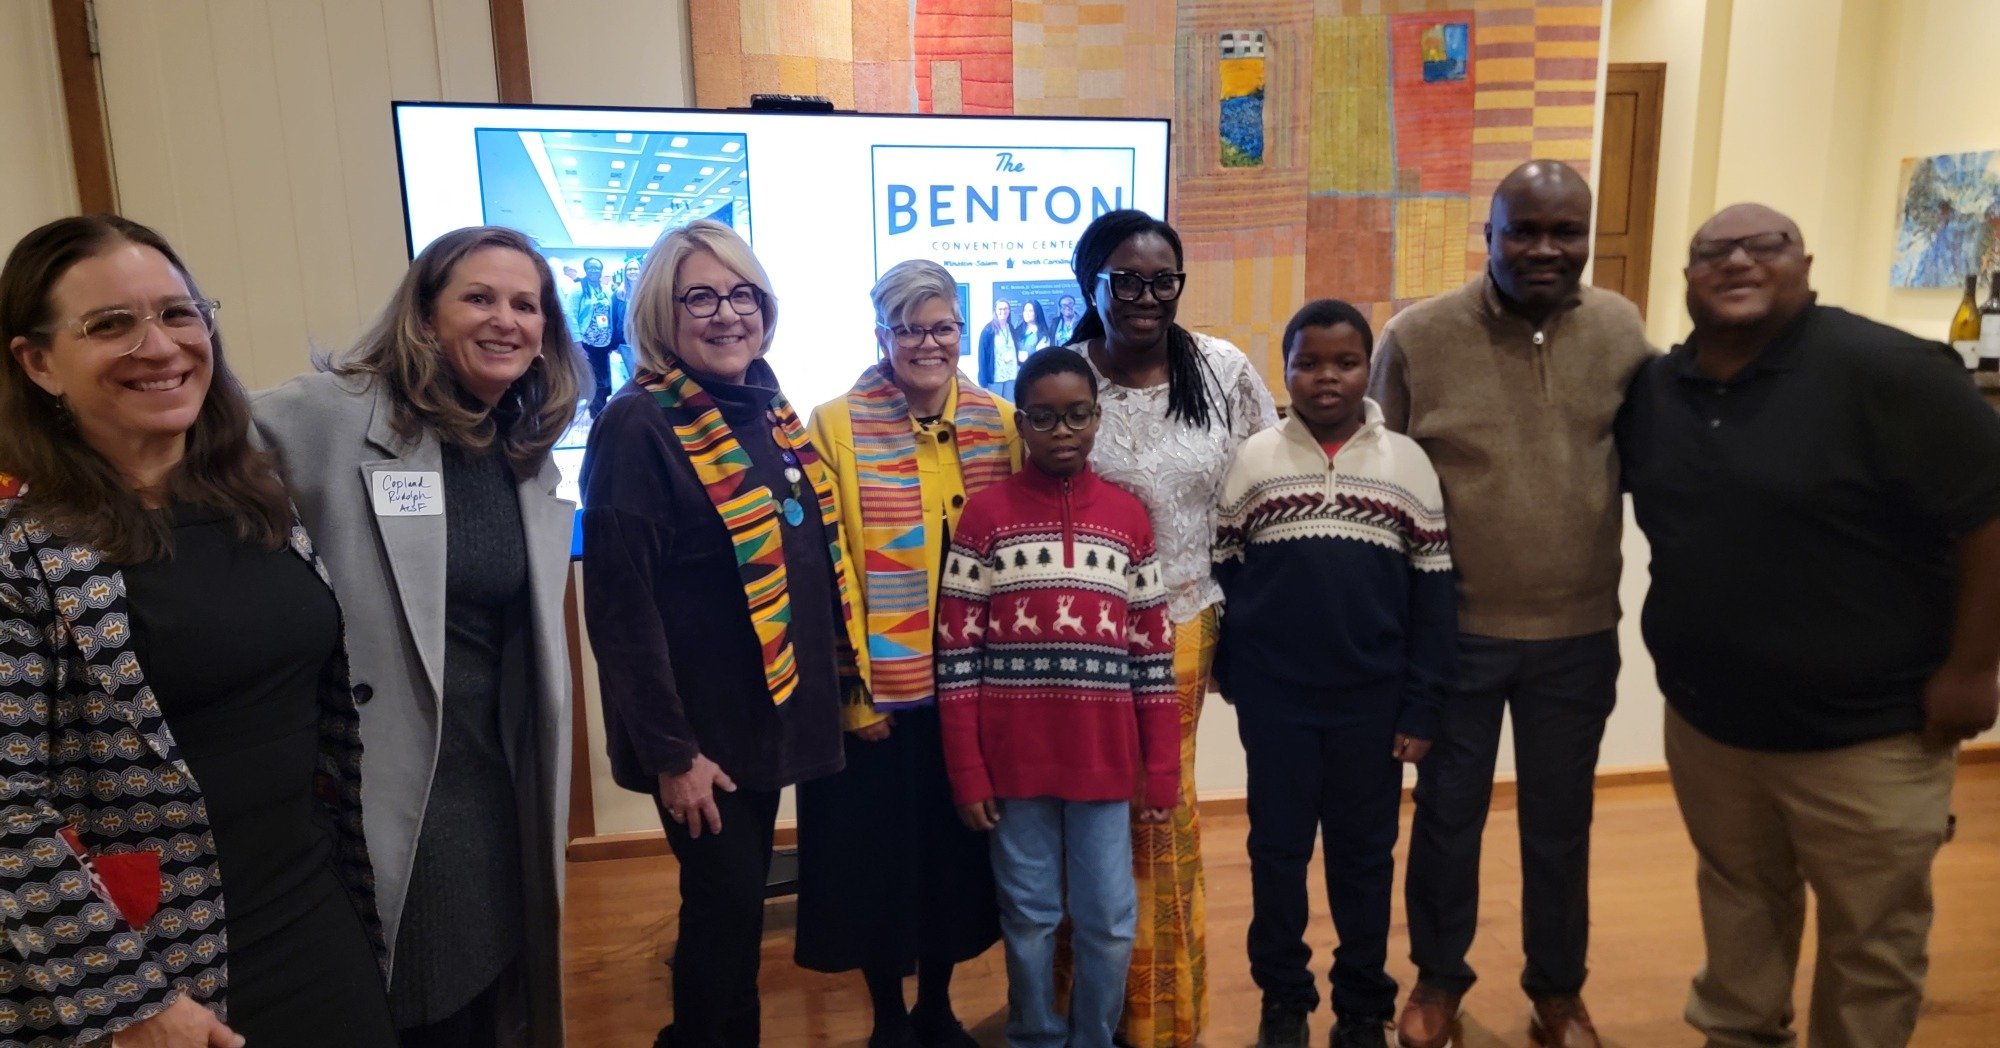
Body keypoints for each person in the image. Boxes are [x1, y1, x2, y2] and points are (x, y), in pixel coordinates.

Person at [0, 214, 394, 1048]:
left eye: (180, 314)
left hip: (314, 920)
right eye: (111, 325)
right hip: (152, 972)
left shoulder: (255, 501)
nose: (161, 346)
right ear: (38, 363)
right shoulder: (19, 551)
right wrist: (126, 999)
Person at [1618, 203, 2000, 1048]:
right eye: (1714, 251)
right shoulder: (1657, 389)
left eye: (1766, 246)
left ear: (1805, 263)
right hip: (1711, 725)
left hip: (1868, 735)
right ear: (1688, 278)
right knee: (1739, 905)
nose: (1739, 262)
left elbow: (1987, 518)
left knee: (1873, 939)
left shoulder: (1890, 371)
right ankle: (1737, 1034)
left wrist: (1976, 666)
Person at [253, 225, 587, 1048]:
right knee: (415, 1001)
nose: (505, 319)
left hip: (491, 780)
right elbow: (194, 447)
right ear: (426, 316)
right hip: (392, 783)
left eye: (526, 304)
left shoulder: (518, 448)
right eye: (478, 297)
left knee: (487, 995)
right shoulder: (332, 414)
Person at [1367, 160, 1651, 1048]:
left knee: (1561, 824)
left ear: (1588, 236)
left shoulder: (1621, 328)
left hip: (1577, 633)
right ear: (1486, 235)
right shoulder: (1419, 337)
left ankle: (1558, 992)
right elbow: (1381, 488)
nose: (1543, 248)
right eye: (1521, 229)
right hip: (1456, 636)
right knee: (1447, 819)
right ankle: (1439, 982)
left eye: (1565, 231)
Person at [580, 218, 856, 1048]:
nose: (728, 312)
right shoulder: (638, 425)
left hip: (761, 721)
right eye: (700, 295)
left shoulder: (766, 408)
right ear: (663, 314)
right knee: (723, 914)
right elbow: (620, 612)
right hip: (699, 741)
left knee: (733, 918)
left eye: (743, 294)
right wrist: (672, 755)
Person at [1214, 300, 1455, 1048]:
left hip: (1373, 709)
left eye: (1345, 363)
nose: (1326, 377)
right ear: (1284, 368)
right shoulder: (1254, 460)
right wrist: (1242, 682)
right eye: (1308, 362)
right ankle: (1283, 999)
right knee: (1276, 853)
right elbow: (1228, 578)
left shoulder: (1407, 465)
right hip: (1279, 708)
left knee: (1363, 858)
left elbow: (1434, 596)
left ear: (1368, 369)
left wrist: (1420, 708)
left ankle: (1361, 1005)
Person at [1066, 208, 1278, 1047]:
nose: (1147, 296)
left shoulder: (1221, 368)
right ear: (1093, 283)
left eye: (1163, 279)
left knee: (1159, 810)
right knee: (1083, 813)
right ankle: (1086, 1008)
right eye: (1127, 279)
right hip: (1078, 631)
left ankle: (1159, 1015)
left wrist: (1256, 626)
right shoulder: (1067, 375)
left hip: (1186, 623)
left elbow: (1267, 488)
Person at [795, 260, 1018, 1048]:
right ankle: (889, 1012)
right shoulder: (833, 423)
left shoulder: (1000, 420)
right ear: (881, 334)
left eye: (943, 327)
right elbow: (822, 571)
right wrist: (852, 694)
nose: (929, 343)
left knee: (954, 859)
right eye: (909, 327)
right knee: (875, 859)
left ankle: (938, 1006)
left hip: (972, 691)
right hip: (878, 694)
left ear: (963, 329)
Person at [935, 346, 1179, 1048]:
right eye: (1045, 417)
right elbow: (957, 659)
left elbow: (1152, 658)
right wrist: (967, 772)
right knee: (1030, 913)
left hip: (1103, 768)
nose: (1062, 430)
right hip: (1013, 771)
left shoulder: (1130, 520)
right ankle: (1035, 1035)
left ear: (1097, 418)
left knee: (1108, 919)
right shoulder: (984, 519)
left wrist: (1158, 771)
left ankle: (1093, 1038)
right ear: (1022, 423)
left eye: (1077, 415)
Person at [576, 256, 615, 417]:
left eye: (597, 268)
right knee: (594, 380)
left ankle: (602, 409)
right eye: (591, 268)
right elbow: (569, 315)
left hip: (604, 341)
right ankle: (596, 413)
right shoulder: (578, 289)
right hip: (587, 342)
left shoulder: (604, 289)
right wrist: (576, 341)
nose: (594, 271)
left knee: (605, 379)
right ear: (585, 270)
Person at [977, 298, 1021, 398]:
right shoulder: (988, 330)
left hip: (1011, 375)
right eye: (1000, 309)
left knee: (1009, 406)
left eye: (1005, 309)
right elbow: (982, 356)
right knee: (997, 408)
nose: (1003, 312)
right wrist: (983, 381)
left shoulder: (1011, 328)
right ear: (995, 311)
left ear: (1009, 311)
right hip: (996, 377)